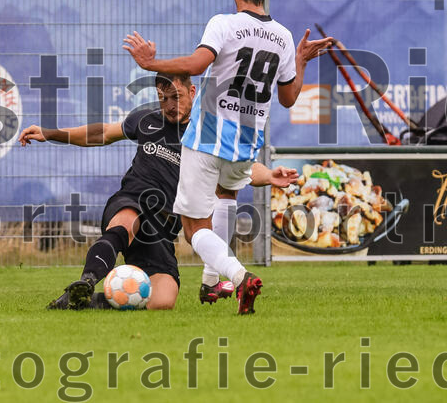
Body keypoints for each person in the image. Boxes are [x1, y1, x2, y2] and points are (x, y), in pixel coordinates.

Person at [124, 0, 333, 314]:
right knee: (226, 195)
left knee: (194, 229)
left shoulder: (224, 24)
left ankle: (238, 277)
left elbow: (196, 65)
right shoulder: (283, 37)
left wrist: (149, 64)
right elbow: (288, 99)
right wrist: (299, 61)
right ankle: (210, 282)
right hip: (246, 142)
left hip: (208, 136)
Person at [19, 73, 297, 310]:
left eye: (176, 97)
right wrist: (51, 133)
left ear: (192, 92)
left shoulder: (207, 135)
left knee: (163, 300)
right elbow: (101, 133)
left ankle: (88, 301)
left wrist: (271, 175)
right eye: (164, 99)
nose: (170, 105)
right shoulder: (147, 120)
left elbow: (243, 169)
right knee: (125, 223)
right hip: (132, 200)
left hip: (163, 227)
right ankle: (86, 281)